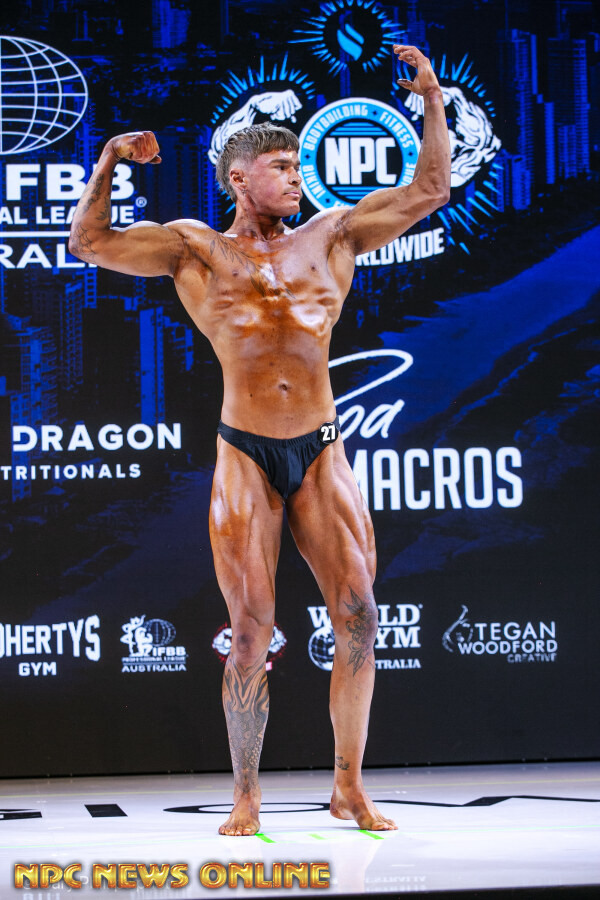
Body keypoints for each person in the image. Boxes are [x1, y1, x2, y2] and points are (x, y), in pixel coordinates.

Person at [69, 45, 451, 836]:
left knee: (359, 612)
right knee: (248, 632)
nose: (296, 178)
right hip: (245, 449)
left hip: (320, 447)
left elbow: (430, 190)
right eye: (281, 167)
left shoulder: (333, 236)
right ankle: (247, 793)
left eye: (298, 166)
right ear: (239, 179)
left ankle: (348, 786)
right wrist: (107, 161)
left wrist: (433, 99)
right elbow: (90, 243)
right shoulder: (194, 248)